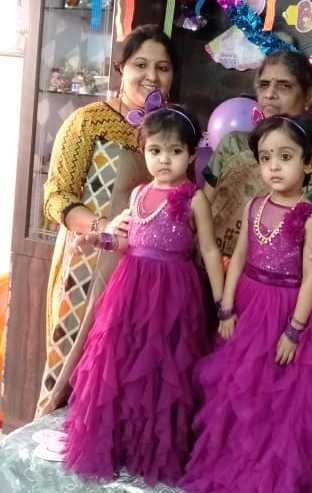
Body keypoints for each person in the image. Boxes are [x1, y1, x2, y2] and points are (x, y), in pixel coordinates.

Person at [61, 99, 224, 486]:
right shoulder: (137, 195)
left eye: (175, 151)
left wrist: (222, 301)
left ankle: (150, 448)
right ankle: (119, 442)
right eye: (155, 150)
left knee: (162, 366)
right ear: (143, 151)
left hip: (173, 293)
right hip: (130, 288)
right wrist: (95, 240)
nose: (164, 160)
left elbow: (208, 250)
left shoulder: (194, 198)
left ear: (191, 154)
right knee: (121, 361)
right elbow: (125, 242)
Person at [180, 115, 312, 493]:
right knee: (238, 391)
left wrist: (294, 331)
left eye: (285, 157)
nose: (274, 166)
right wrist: (226, 307)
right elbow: (237, 258)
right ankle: (234, 468)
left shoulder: (310, 215)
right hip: (249, 307)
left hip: (288, 312)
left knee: (278, 398)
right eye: (266, 158)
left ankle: (266, 478)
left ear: (308, 164)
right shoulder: (253, 205)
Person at [38, 24, 177, 414]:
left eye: (163, 67)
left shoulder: (172, 132)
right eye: (141, 64)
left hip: (146, 277)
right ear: (121, 68)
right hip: (88, 267)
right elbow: (56, 196)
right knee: (71, 375)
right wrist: (103, 227)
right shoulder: (89, 122)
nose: (152, 76)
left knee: (124, 379)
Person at [203, 50, 312, 258]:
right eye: (264, 85)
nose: (269, 94)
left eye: (284, 86)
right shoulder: (233, 145)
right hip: (211, 266)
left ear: (308, 96)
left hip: (283, 277)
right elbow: (202, 213)